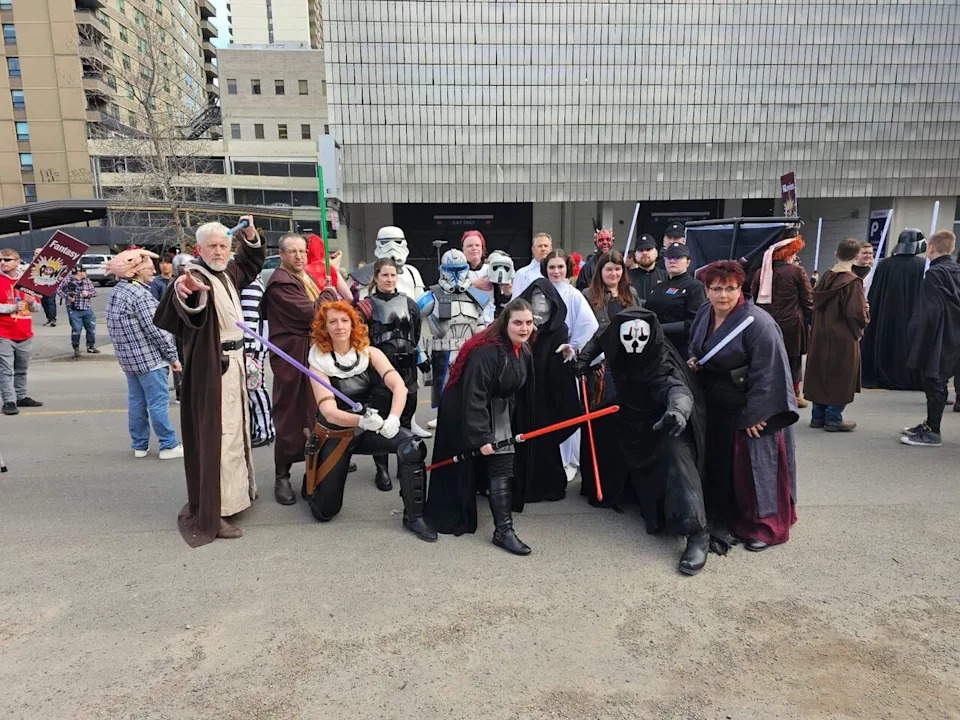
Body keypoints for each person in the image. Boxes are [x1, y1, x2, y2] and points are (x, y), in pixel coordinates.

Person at [155, 217, 264, 546]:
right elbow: (188, 303)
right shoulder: (195, 275)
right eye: (211, 246)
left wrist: (249, 233)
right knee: (217, 438)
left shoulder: (227, 270)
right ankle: (212, 514)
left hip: (235, 366)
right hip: (213, 370)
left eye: (223, 245)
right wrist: (185, 293)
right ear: (198, 249)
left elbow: (251, 262)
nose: (218, 251)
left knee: (235, 433)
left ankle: (234, 498)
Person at [576, 307, 711, 575]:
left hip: (661, 418)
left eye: (640, 339)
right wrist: (584, 360)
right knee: (596, 424)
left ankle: (698, 533)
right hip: (626, 409)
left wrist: (678, 410)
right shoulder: (611, 334)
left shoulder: (659, 360)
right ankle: (608, 489)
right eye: (628, 338)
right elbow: (598, 339)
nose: (635, 346)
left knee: (677, 457)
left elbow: (676, 388)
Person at [688, 261, 799, 552]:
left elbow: (769, 370)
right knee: (721, 468)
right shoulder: (704, 313)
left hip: (748, 405)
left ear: (741, 289)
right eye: (717, 289)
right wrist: (694, 361)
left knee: (754, 469)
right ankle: (726, 516)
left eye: (730, 289)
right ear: (707, 290)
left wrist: (758, 414)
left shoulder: (758, 323)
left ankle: (763, 527)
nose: (724, 295)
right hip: (716, 402)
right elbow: (698, 347)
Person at [303, 300, 437, 542]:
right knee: (325, 511)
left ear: (354, 324)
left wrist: (394, 418)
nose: (339, 326)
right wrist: (360, 421)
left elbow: (399, 386)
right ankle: (313, 480)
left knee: (412, 446)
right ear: (324, 327)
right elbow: (330, 411)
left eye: (345, 320)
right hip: (336, 433)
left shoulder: (370, 353)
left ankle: (415, 517)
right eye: (332, 321)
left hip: (370, 426)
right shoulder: (318, 363)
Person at [425, 299, 536, 554]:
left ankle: (502, 526)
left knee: (502, 459)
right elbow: (474, 396)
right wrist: (482, 436)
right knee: (494, 457)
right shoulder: (487, 352)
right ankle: (504, 530)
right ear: (505, 323)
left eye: (529, 322)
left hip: (496, 406)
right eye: (518, 322)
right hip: (463, 406)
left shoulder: (523, 349)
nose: (524, 328)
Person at [261, 232, 341, 506]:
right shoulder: (281, 282)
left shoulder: (303, 277)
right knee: (290, 416)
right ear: (281, 255)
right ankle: (281, 476)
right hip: (292, 358)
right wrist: (329, 290)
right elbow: (312, 314)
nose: (298, 256)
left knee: (317, 412)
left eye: (302, 252)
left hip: (312, 354)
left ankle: (317, 464)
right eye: (292, 252)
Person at [105, 248, 183, 460]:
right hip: (150, 360)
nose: (153, 272)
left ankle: (140, 444)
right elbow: (157, 330)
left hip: (129, 360)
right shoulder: (140, 295)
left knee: (137, 402)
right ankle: (168, 445)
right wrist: (173, 356)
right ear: (135, 271)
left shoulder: (117, 292)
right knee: (158, 403)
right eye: (149, 268)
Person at [356, 257, 427, 492]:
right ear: (376, 277)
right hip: (378, 373)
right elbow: (359, 338)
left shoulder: (410, 303)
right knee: (380, 421)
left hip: (407, 371)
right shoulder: (366, 306)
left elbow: (415, 334)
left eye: (393, 275)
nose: (389, 279)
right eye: (384, 275)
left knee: (405, 417)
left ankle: (403, 461)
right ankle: (381, 469)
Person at [578, 251, 640, 503]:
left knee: (623, 423)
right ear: (599, 272)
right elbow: (584, 333)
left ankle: (621, 483)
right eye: (608, 270)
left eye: (618, 269)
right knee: (599, 425)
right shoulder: (587, 296)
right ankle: (597, 484)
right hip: (598, 369)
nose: (613, 274)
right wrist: (593, 361)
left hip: (626, 368)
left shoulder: (631, 296)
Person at [516, 279, 580, 502]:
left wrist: (562, 359)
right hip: (521, 392)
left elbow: (557, 366)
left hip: (544, 394)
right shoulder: (521, 324)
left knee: (544, 440)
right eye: (536, 297)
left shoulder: (558, 328)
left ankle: (548, 485)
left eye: (545, 298)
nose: (541, 302)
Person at [541, 249, 600, 479]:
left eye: (560, 267)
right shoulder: (539, 291)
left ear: (568, 268)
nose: (556, 271)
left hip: (564, 360)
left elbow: (589, 324)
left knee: (566, 409)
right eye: (551, 267)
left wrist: (573, 346)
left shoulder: (574, 295)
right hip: (541, 361)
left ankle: (569, 460)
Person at [900, 231, 960, 447]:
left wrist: (917, 337)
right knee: (939, 381)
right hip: (955, 333)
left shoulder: (935, 274)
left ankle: (933, 431)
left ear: (931, 248)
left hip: (941, 335)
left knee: (934, 380)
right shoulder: (955, 270)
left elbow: (930, 310)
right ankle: (930, 424)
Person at [803, 239, 870, 432]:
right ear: (857, 256)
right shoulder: (852, 282)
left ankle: (818, 416)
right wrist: (865, 313)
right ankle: (833, 417)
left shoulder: (824, 278)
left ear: (835, 254)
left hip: (821, 333)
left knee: (820, 371)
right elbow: (855, 314)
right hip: (842, 336)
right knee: (841, 374)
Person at [750, 234, 814, 408]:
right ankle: (794, 395)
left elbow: (753, 298)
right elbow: (808, 300)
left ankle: (769, 393)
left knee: (768, 359)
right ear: (788, 254)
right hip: (792, 325)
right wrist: (812, 321)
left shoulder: (760, 272)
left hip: (766, 324)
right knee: (793, 361)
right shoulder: (797, 271)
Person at [861, 229, 927, 390]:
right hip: (911, 316)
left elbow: (875, 294)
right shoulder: (922, 266)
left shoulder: (884, 265)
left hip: (886, 317)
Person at [644, 243, 707, 359]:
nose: (673, 261)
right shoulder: (659, 286)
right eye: (669, 257)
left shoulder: (694, 287)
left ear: (688, 262)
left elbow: (695, 323)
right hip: (656, 348)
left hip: (679, 351)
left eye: (678, 257)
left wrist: (659, 328)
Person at [0, 248, 43, 416]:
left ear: (17, 262)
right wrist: (12, 307)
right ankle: (9, 401)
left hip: (25, 332)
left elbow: (38, 308)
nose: (2, 262)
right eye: (0, 260)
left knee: (22, 368)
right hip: (4, 332)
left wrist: (32, 303)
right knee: (5, 370)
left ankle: (21, 396)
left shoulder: (28, 282)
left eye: (6, 259)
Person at [240, 273, 275, 449]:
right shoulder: (252, 281)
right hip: (254, 344)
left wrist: (248, 348)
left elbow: (249, 318)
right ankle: (261, 429)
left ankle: (265, 430)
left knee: (255, 388)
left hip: (252, 346)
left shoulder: (250, 282)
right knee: (253, 388)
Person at [57, 266, 99, 358]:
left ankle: (90, 346)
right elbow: (59, 290)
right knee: (76, 329)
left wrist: (88, 294)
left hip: (87, 308)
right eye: (83, 271)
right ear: (78, 272)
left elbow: (94, 293)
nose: (85, 272)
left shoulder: (87, 281)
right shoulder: (68, 280)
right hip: (74, 309)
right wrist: (67, 296)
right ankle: (76, 348)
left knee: (91, 328)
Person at [511, 232, 553, 298]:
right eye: (540, 246)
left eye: (546, 246)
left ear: (550, 249)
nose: (543, 249)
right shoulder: (522, 274)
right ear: (533, 249)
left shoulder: (558, 273)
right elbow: (516, 300)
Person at [627, 234, 667, 301]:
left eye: (648, 249)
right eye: (641, 250)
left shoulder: (666, 277)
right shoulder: (626, 276)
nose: (644, 253)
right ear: (635, 254)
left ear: (656, 253)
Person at [33, 247, 58, 327]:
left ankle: (52, 319)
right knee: (44, 303)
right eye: (35, 253)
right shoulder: (32, 263)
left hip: (50, 285)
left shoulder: (49, 262)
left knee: (50, 302)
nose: (37, 255)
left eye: (38, 253)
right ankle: (49, 318)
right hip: (39, 286)